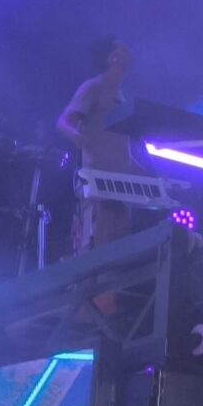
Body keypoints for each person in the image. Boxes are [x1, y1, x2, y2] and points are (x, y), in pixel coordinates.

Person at [57, 37, 138, 255]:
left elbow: (118, 139)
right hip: (97, 182)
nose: (129, 52)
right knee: (95, 245)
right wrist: (80, 138)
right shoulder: (93, 87)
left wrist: (136, 165)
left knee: (119, 251)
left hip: (123, 184)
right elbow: (64, 122)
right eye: (123, 48)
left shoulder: (121, 95)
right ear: (112, 58)